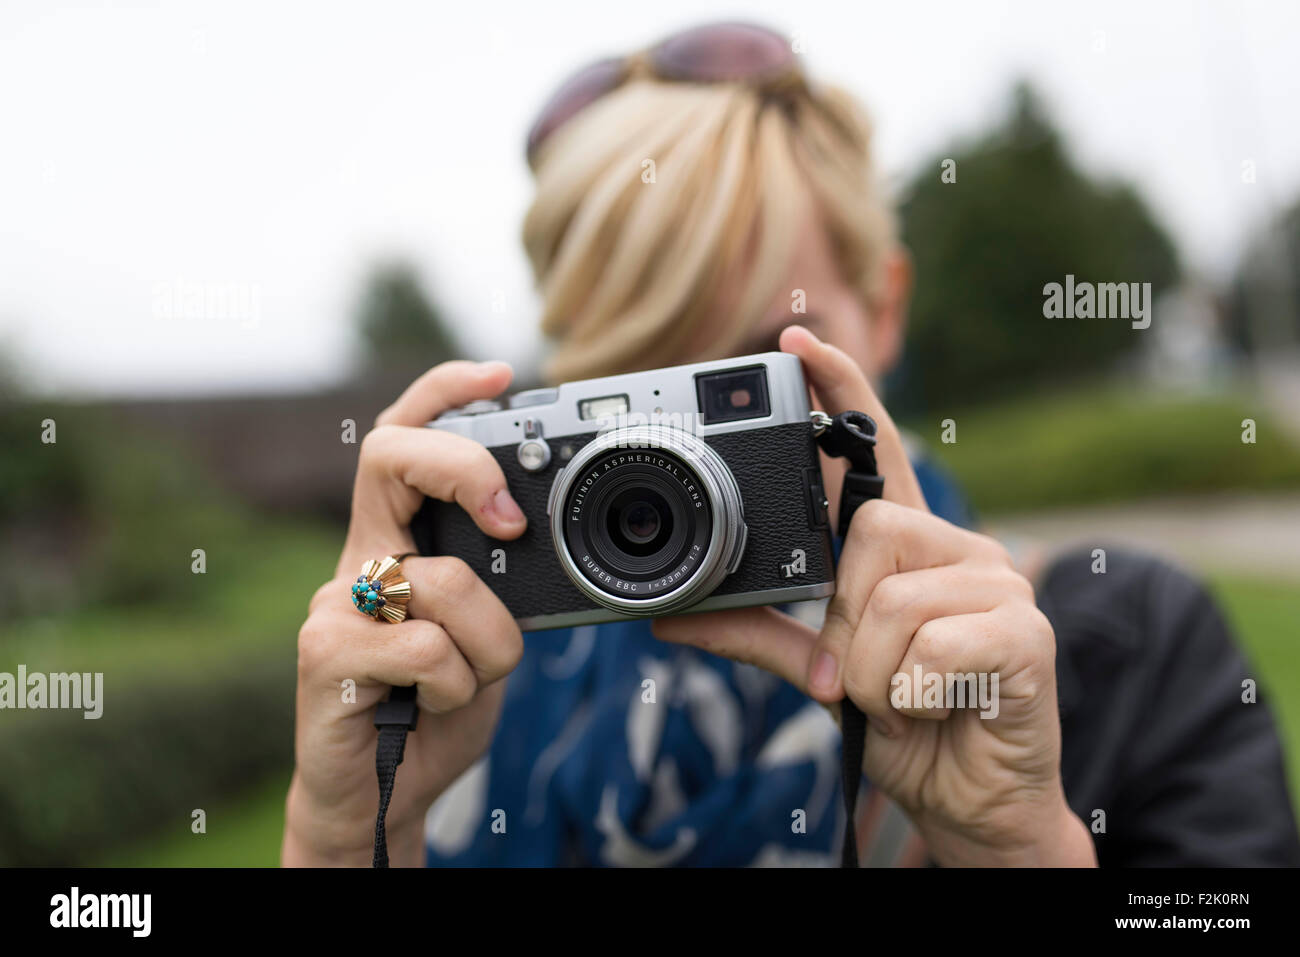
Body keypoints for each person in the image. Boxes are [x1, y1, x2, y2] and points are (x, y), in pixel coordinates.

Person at [282, 22, 1300, 867]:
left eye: (752, 381)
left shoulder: (1127, 653)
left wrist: (1015, 843)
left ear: (884, 310)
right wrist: (345, 830)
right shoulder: (470, 681)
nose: (683, 458)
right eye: (633, 385)